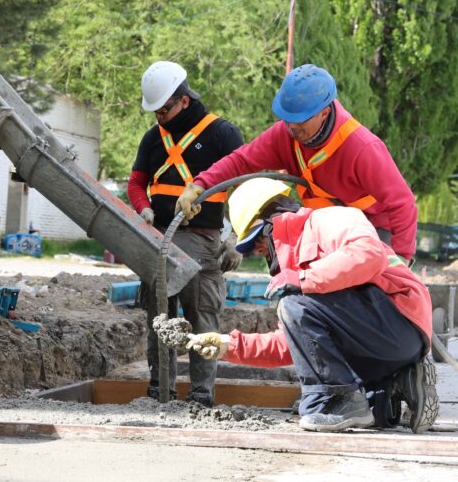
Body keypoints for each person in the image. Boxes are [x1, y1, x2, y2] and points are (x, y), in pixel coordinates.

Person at [186, 178, 439, 433]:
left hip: (399, 318)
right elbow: (301, 343)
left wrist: (302, 279)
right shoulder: (301, 272)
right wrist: (229, 345)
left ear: (274, 221)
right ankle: (399, 378)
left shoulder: (328, 220)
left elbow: (368, 254)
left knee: (293, 307)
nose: (259, 252)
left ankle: (335, 399)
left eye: (256, 242)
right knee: (377, 410)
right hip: (383, 338)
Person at [176, 64, 418, 263]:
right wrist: (200, 184)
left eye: (299, 120)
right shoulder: (286, 134)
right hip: (326, 229)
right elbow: (241, 160)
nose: (291, 127)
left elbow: (402, 203)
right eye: (287, 118)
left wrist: (402, 259)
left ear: (324, 112)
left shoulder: (361, 147)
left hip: (373, 229)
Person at [127, 60, 244, 406]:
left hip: (203, 239)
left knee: (201, 317)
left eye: (164, 110)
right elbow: (137, 182)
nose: (158, 117)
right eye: (154, 111)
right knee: (159, 318)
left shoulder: (221, 133)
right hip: (159, 238)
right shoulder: (153, 138)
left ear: (184, 101)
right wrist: (142, 207)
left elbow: (244, 188)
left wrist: (236, 235)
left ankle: (201, 393)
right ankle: (159, 389)